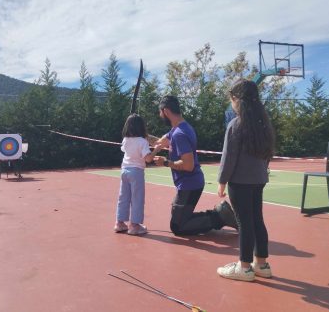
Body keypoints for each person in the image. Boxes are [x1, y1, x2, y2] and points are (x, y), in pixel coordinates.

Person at [216, 79, 275, 282]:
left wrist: (222, 181)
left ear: (237, 100)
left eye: (232, 99)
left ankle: (244, 267)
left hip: (239, 181)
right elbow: (267, 154)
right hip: (259, 179)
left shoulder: (235, 124)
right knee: (257, 219)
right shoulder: (263, 125)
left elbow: (228, 157)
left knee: (244, 222)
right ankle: (262, 265)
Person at [152, 95, 237, 235]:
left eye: (160, 112)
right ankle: (218, 215)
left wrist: (165, 162)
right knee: (177, 216)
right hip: (188, 184)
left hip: (190, 184)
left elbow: (188, 166)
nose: (160, 115)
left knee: (178, 227)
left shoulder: (179, 134)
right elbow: (159, 143)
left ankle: (220, 216)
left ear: (166, 111)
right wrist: (140, 134)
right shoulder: (179, 128)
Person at [115, 114, 162, 235]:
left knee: (123, 197)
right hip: (136, 172)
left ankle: (119, 223)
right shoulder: (142, 141)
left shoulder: (126, 140)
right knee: (137, 198)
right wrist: (156, 149)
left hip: (124, 171)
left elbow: (125, 150)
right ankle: (135, 226)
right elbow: (148, 159)